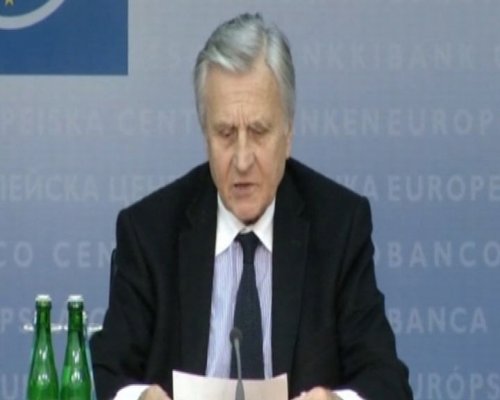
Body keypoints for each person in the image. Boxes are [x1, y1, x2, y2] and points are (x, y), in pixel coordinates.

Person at [90, 12, 413, 400]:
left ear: (288, 134)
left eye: (258, 132)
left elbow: (386, 380)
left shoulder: (339, 227)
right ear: (205, 135)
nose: (242, 160)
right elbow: (107, 372)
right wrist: (139, 398)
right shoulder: (149, 231)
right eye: (226, 133)